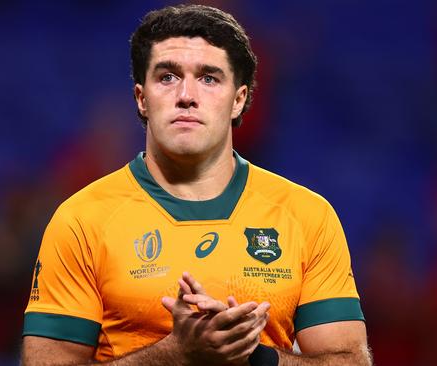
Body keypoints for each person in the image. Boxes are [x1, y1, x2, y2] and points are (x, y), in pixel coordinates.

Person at [20, 4, 371, 366]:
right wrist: (176, 354)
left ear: (239, 100)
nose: (186, 95)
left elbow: (350, 361)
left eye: (209, 78)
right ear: (142, 98)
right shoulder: (81, 220)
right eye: (168, 76)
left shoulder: (307, 216)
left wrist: (251, 356)